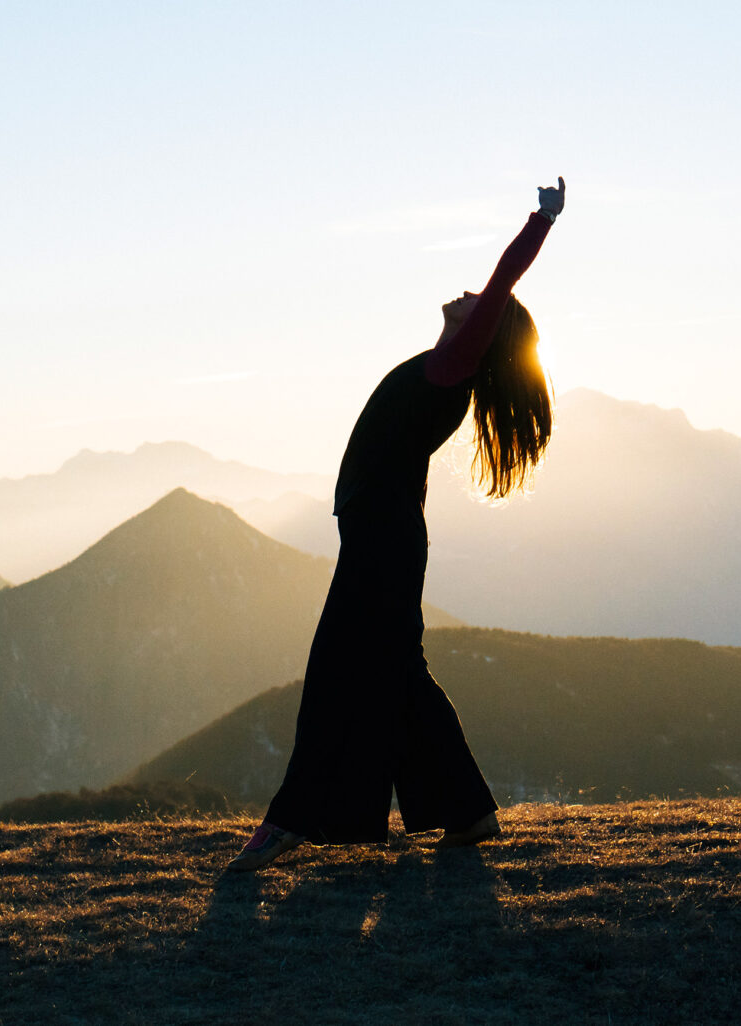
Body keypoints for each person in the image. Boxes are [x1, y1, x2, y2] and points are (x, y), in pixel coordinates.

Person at [228, 177, 566, 872]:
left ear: (486, 330)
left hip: (384, 539)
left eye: (481, 305)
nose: (470, 295)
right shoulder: (442, 369)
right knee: (397, 672)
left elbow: (502, 279)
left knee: (335, 674)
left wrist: (541, 221)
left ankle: (292, 821)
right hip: (384, 536)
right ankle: (468, 813)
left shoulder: (453, 367)